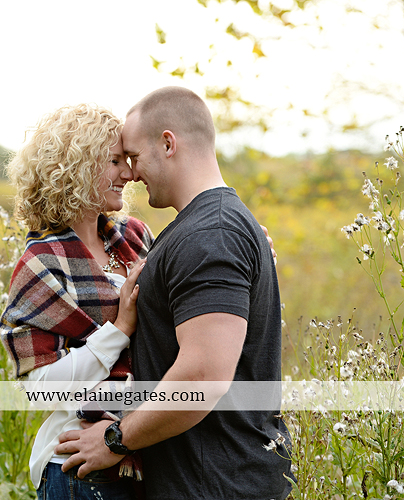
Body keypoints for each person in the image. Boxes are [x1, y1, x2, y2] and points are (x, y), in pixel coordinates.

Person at [55, 87, 293, 500]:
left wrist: (115, 439)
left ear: (168, 143)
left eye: (133, 156)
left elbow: (203, 377)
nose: (130, 172)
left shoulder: (211, 235)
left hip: (216, 486)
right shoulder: (214, 227)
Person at [0, 104, 151, 500]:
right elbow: (42, 391)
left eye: (129, 161)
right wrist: (119, 330)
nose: (129, 174)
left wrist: (247, 246)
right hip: (76, 468)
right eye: (115, 161)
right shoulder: (41, 263)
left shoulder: (134, 237)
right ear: (77, 166)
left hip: (139, 454)